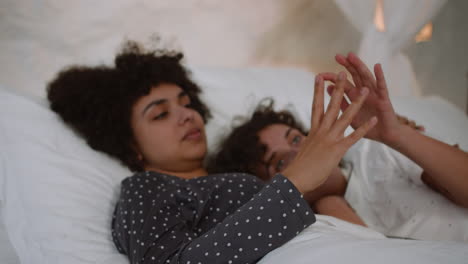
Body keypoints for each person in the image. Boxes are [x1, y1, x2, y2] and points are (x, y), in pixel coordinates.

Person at [46, 42, 376, 263]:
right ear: (131, 146)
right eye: (160, 114)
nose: (186, 115)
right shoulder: (146, 189)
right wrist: (294, 182)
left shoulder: (244, 175)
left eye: (187, 104)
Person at [209, 53, 468, 226]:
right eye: (279, 164)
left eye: (297, 140)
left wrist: (398, 135)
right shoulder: (313, 230)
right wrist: (328, 205)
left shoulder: (377, 153)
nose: (302, 154)